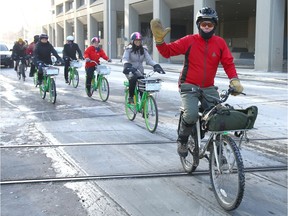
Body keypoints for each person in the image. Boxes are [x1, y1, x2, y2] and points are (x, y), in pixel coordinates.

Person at [150, 7, 244, 157]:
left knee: (218, 117)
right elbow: (167, 52)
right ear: (198, 25)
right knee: (191, 114)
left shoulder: (219, 43)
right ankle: (183, 140)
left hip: (208, 87)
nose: (206, 27)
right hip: (189, 85)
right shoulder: (189, 40)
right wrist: (160, 41)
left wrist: (234, 80)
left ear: (214, 26)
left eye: (210, 25)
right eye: (203, 24)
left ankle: (217, 153)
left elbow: (228, 63)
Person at [122, 32, 165, 104]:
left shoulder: (143, 50)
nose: (138, 42)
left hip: (140, 71)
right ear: (132, 41)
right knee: (133, 79)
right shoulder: (128, 49)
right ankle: (131, 97)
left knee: (143, 86)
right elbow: (124, 59)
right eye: (136, 41)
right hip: (130, 70)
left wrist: (156, 65)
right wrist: (126, 64)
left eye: (139, 41)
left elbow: (149, 60)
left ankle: (143, 106)